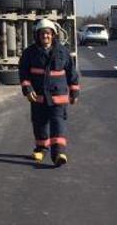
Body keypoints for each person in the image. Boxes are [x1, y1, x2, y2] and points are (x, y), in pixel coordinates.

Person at [19, 19, 79, 166]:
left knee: (58, 123)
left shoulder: (63, 52)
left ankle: (58, 153)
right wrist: (27, 88)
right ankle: (41, 149)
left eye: (48, 33)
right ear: (37, 35)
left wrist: (74, 91)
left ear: (53, 35)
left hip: (59, 97)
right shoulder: (30, 53)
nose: (45, 36)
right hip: (38, 97)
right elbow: (23, 72)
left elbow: (72, 72)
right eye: (42, 34)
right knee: (39, 124)